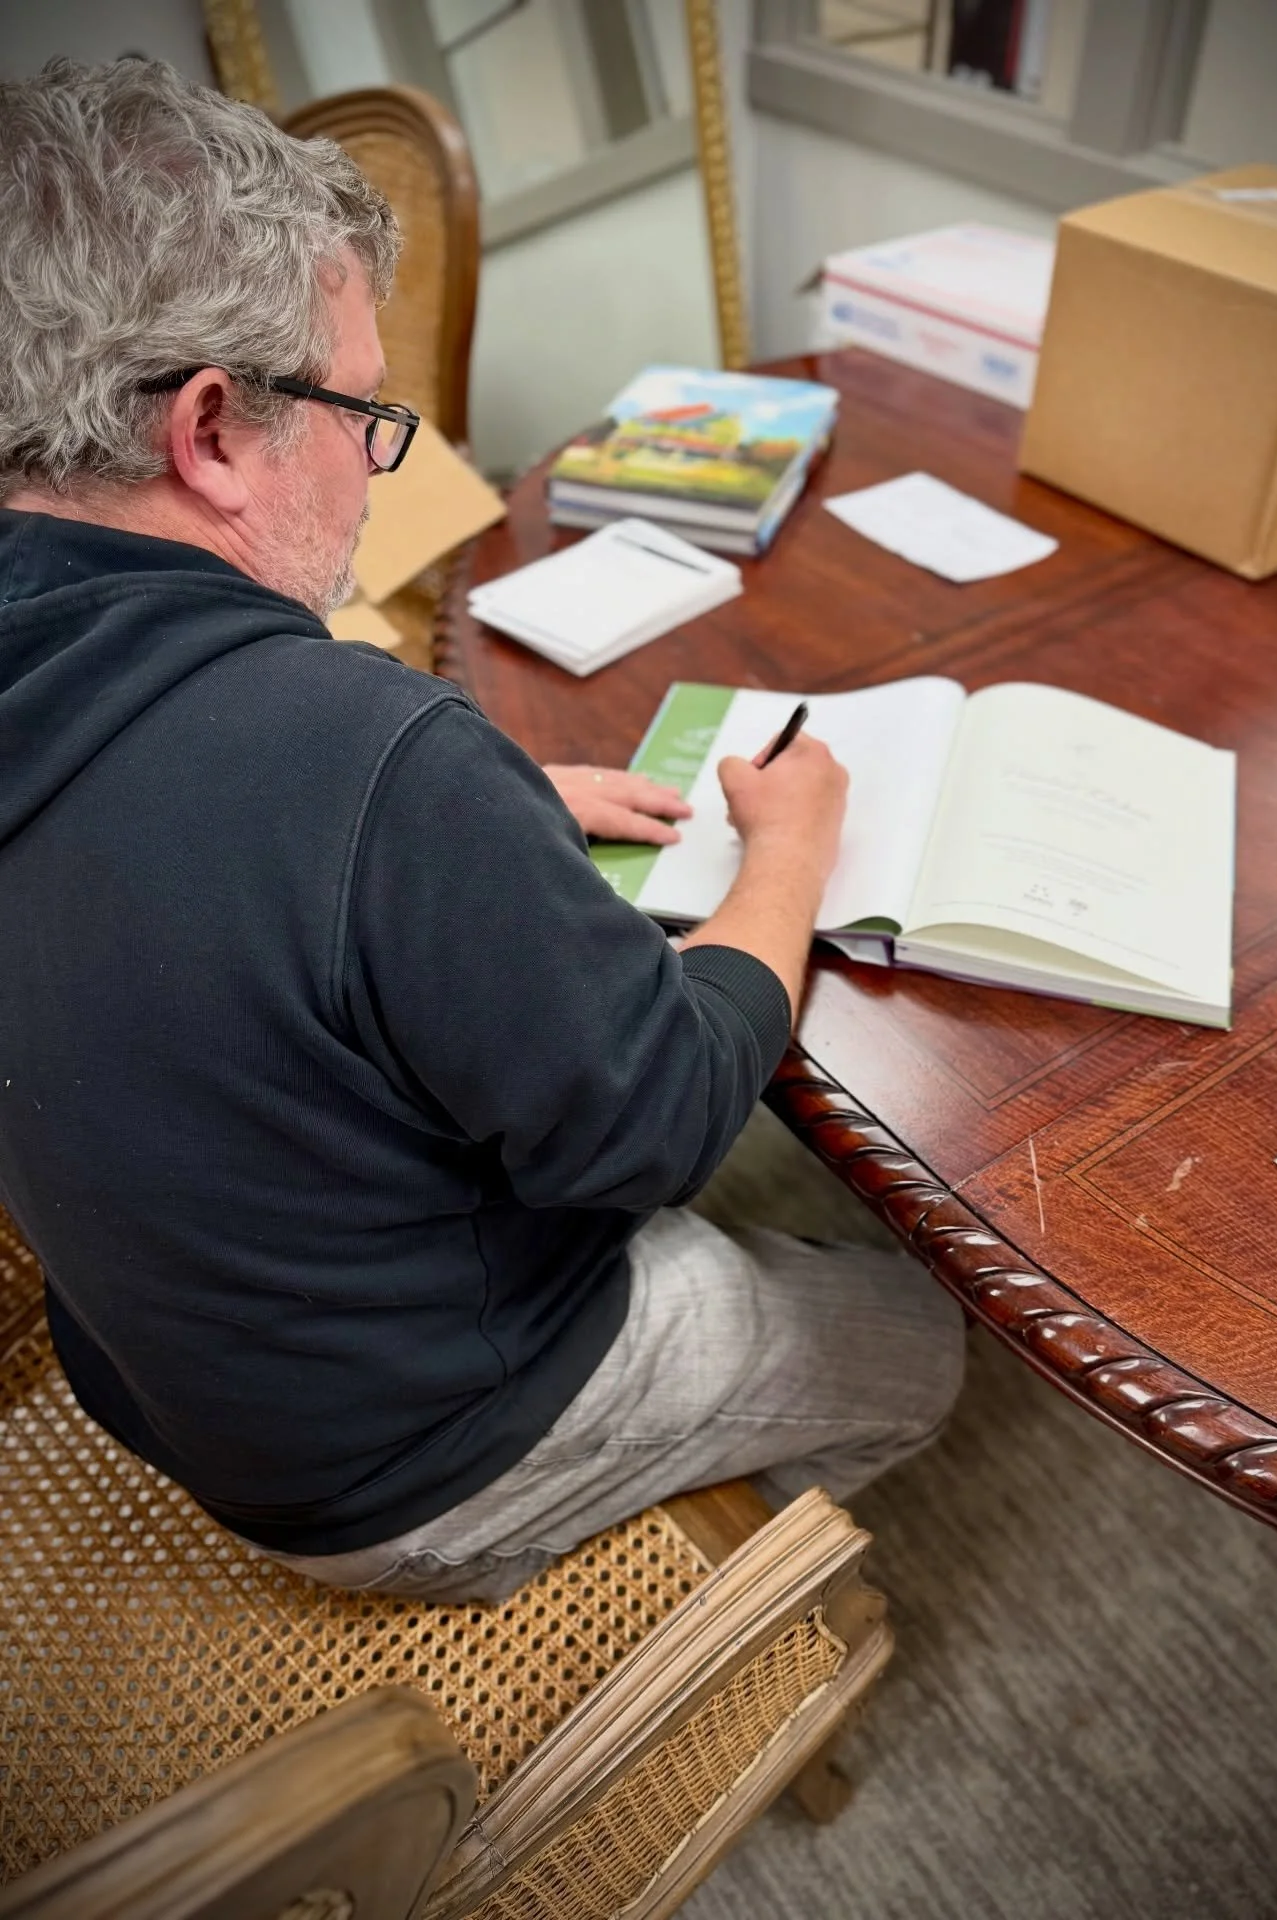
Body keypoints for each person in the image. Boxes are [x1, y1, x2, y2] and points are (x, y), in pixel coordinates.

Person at [0, 58, 963, 1602]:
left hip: (177, 1379)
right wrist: (787, 858)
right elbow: (649, 1131)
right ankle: (732, 1597)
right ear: (211, 431)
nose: (383, 472)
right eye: (364, 413)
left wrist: (473, 820)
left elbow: (211, 874)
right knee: (919, 1339)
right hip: (398, 1465)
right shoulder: (362, 758)